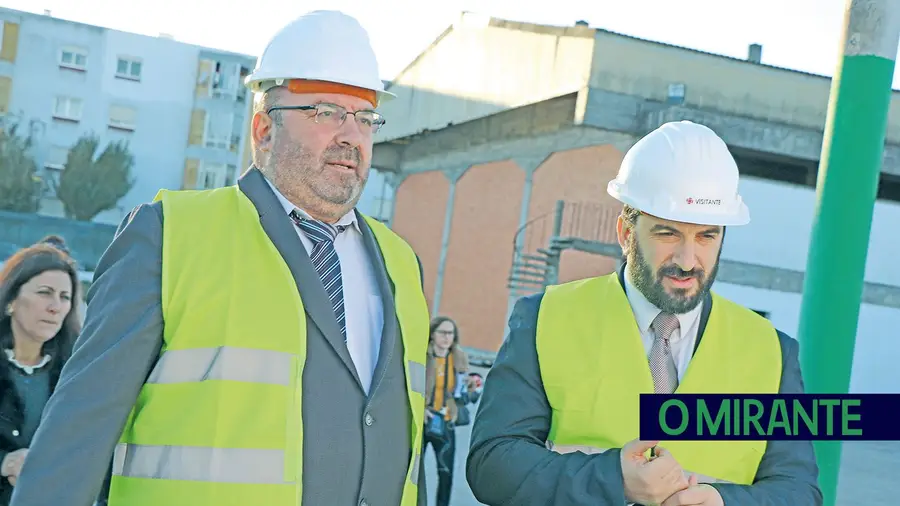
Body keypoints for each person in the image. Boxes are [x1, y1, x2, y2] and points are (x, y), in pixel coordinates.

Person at [11, 10, 431, 506]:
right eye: (325, 112)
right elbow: (78, 432)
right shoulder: (169, 234)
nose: (350, 135)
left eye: (365, 118)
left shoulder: (401, 261)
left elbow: (403, 443)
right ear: (264, 131)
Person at [466, 121, 823, 506]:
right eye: (667, 233)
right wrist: (612, 480)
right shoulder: (546, 318)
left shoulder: (770, 351)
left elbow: (798, 491)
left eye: (706, 236)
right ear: (625, 233)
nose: (688, 261)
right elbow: (492, 465)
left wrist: (723, 501)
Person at [0, 245, 79, 505]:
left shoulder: (77, 374)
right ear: (12, 299)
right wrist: (4, 462)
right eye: (45, 293)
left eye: (65, 297)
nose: (55, 307)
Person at [421, 316, 474, 506]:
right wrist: (422, 410)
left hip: (446, 421)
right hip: (423, 421)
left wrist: (470, 387)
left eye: (450, 333)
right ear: (433, 334)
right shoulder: (422, 355)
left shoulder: (458, 357)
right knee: (414, 471)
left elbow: (462, 391)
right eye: (442, 332)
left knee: (446, 473)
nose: (447, 337)